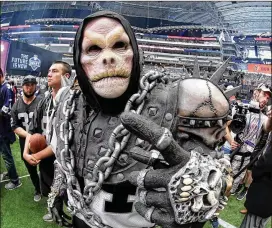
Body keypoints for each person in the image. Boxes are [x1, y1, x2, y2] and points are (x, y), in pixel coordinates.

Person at [46, 11, 237, 228]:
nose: (108, 57)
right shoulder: (68, 103)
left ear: (135, 52)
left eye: (119, 45)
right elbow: (63, 159)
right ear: (79, 60)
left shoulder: (182, 101)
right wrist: (58, 191)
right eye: (94, 48)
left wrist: (194, 189)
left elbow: (217, 172)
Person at [23, 61, 71, 222]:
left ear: (66, 76)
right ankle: (53, 210)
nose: (49, 74)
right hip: (46, 153)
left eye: (54, 71)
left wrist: (37, 156)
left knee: (68, 190)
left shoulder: (72, 102)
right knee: (51, 186)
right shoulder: (44, 100)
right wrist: (25, 152)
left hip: (66, 156)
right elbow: (32, 128)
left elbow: (61, 142)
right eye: (49, 70)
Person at [225, 84, 272, 200]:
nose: (265, 99)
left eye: (268, 98)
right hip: (231, 153)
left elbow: (267, 128)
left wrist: (271, 118)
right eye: (264, 95)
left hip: (246, 158)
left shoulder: (264, 117)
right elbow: (225, 126)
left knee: (232, 186)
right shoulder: (240, 108)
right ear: (256, 92)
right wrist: (230, 140)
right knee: (222, 181)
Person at [10, 75, 42, 201]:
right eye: (27, 85)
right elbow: (14, 126)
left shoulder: (41, 102)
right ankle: (38, 189)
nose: (29, 88)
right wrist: (29, 135)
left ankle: (47, 189)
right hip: (25, 141)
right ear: (22, 86)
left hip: (42, 139)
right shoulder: (16, 106)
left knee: (45, 167)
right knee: (31, 167)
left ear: (35, 86)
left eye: (32, 85)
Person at [240, 127, 272, 228]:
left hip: (264, 194)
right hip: (266, 199)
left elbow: (265, 164)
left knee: (252, 223)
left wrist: (257, 169)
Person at [0, 68, 22, 190]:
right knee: (5, 154)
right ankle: (10, 171)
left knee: (6, 155)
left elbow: (6, 109)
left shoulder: (6, 88)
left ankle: (15, 180)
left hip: (4, 129)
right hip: (2, 128)